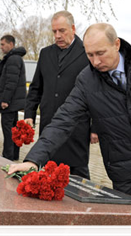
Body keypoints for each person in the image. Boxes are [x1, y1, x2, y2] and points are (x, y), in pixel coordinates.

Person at [9, 23, 131, 210]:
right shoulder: (86, 81)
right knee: (123, 215)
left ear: (116, 44)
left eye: (100, 53)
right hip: (120, 160)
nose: (95, 62)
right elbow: (63, 120)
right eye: (89, 55)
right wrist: (33, 160)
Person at [24, 10, 91, 179]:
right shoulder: (46, 53)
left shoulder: (87, 54)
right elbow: (36, 87)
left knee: (77, 177)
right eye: (54, 31)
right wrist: (29, 114)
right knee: (49, 173)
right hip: (49, 122)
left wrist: (95, 128)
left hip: (76, 127)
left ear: (73, 28)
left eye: (62, 31)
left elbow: (95, 93)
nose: (57, 35)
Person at [0, 35, 27, 161]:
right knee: (13, 129)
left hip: (10, 102)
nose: (1, 47)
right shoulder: (14, 58)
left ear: (11, 44)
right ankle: (13, 155)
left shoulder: (13, 59)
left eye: (3, 44)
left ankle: (8, 156)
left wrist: (5, 100)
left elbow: (11, 82)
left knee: (8, 130)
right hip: (13, 102)